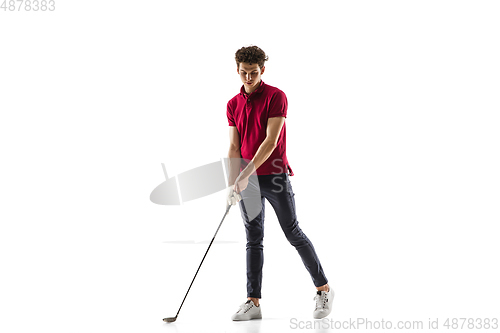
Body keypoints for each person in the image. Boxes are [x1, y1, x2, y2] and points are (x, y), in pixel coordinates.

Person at [225, 45, 333, 321]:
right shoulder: (232, 104)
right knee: (253, 239)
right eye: (243, 73)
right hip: (246, 180)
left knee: (292, 232)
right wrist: (231, 183)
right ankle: (253, 301)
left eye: (253, 72)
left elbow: (270, 141)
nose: (248, 78)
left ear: (263, 70)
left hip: (274, 175)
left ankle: (323, 289)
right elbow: (234, 146)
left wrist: (245, 174)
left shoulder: (276, 96)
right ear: (236, 69)